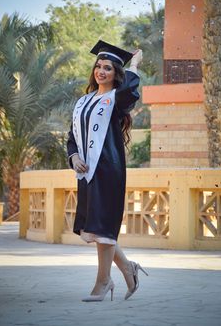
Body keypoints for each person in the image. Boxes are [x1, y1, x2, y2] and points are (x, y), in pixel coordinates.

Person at [67, 40, 148, 302]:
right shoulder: (84, 101)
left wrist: (134, 65)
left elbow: (130, 93)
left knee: (103, 227)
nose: (101, 71)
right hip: (87, 173)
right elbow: (72, 135)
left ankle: (103, 282)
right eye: (99, 66)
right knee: (96, 227)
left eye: (108, 68)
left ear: (116, 74)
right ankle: (127, 268)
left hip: (108, 171)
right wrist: (74, 155)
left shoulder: (117, 99)